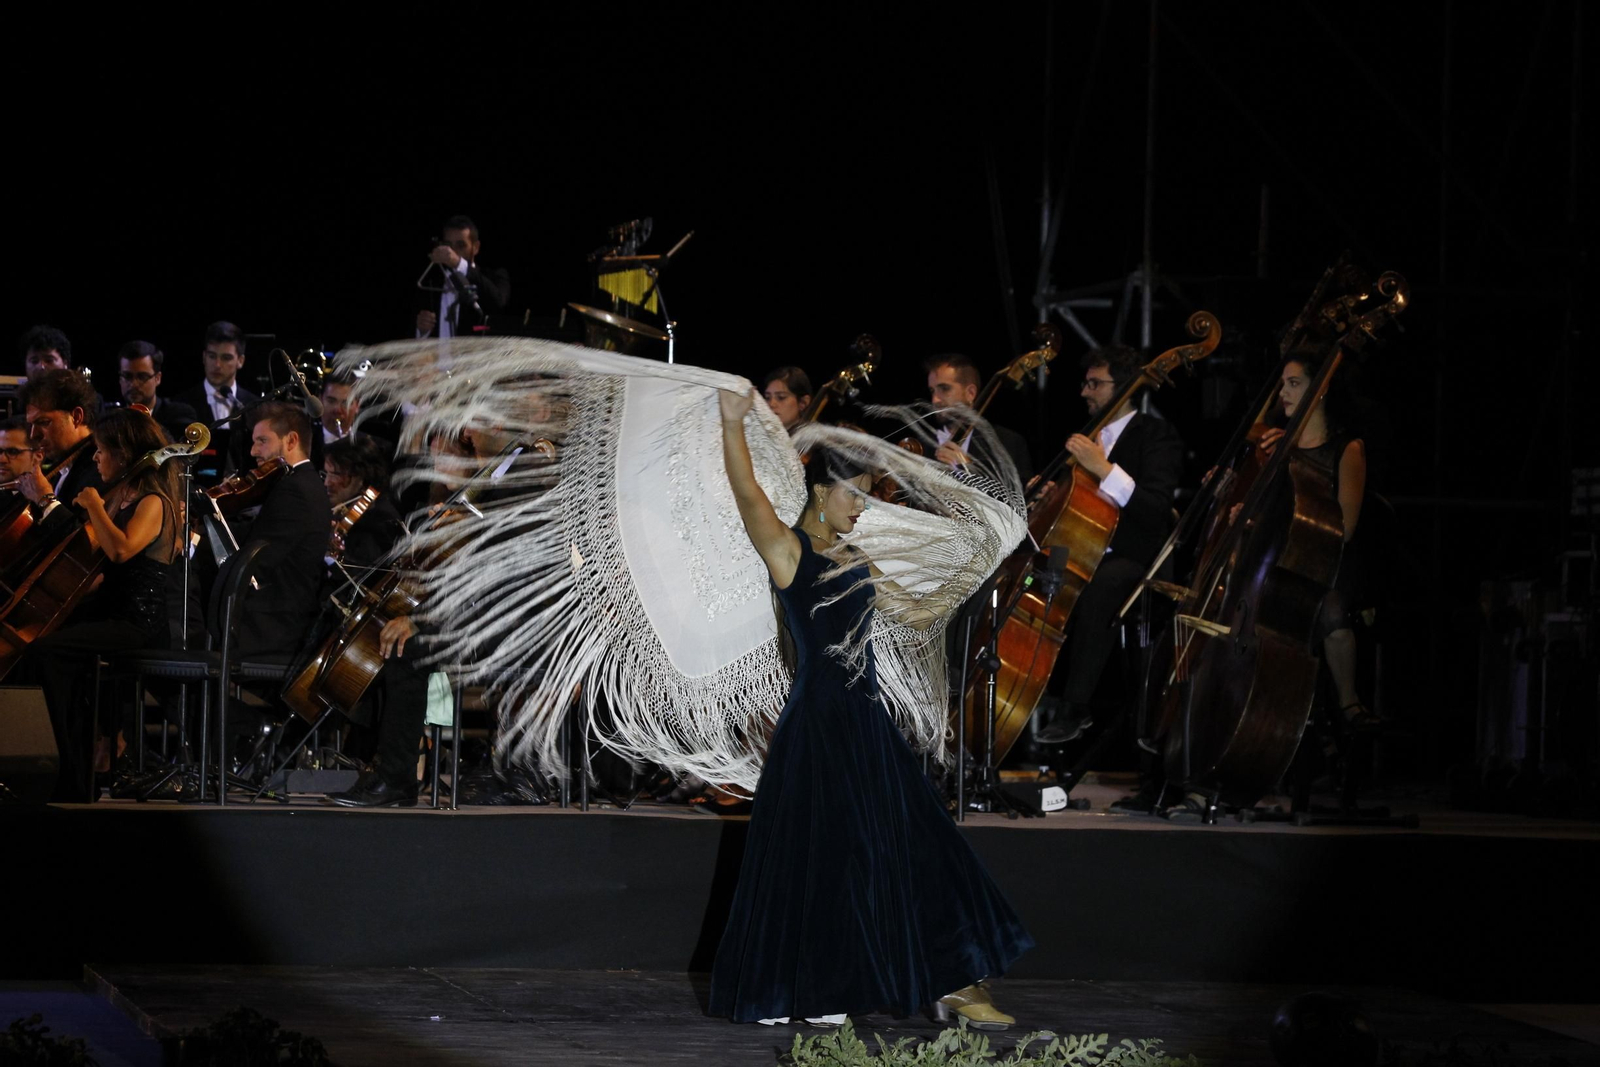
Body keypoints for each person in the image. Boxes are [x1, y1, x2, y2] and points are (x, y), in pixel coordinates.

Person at [707, 386, 1033, 1029]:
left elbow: (914, 612)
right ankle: (815, 987)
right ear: (820, 491)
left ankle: (953, 976)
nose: (863, 507)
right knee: (828, 858)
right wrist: (731, 425)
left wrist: (974, 568)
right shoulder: (789, 551)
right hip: (820, 725)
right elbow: (748, 496)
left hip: (866, 720)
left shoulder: (857, 558)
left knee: (918, 839)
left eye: (867, 495)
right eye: (854, 494)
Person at [23, 409, 182, 800]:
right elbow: (97, 560)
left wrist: (95, 505)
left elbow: (121, 551)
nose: (95, 458)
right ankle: (77, 767)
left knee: (49, 652)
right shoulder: (121, 495)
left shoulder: (154, 501)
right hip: (112, 611)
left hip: (138, 623)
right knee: (48, 648)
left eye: (101, 450)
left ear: (123, 453)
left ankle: (76, 771)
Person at [1034, 344, 1183, 745]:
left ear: (1125, 387)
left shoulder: (1156, 435)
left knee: (1100, 586)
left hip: (1134, 556)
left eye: (1095, 384)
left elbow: (1155, 508)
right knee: (1033, 577)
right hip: (1083, 551)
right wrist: (1051, 494)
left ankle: (1075, 705)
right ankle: (1031, 687)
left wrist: (1103, 469)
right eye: (1086, 383)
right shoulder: (1087, 437)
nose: (1085, 392)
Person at [1257, 346, 1371, 729]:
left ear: (1320, 388)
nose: (1283, 393)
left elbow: (1346, 527)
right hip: (1277, 557)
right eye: (1282, 385)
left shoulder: (1347, 449)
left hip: (1325, 559)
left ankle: (1347, 702)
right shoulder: (1277, 444)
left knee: (1331, 609)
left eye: (1294, 384)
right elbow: (1263, 510)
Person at [234, 401, 332, 659]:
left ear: (291, 440)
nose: (253, 451)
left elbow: (259, 559)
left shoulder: (294, 488)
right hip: (278, 624)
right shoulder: (304, 483)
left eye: (262, 441)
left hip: (269, 630)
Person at [15, 369, 104, 540]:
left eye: (43, 422)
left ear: (76, 417)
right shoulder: (61, 467)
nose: (33, 435)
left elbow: (86, 544)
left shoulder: (100, 467)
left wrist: (45, 499)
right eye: (31, 425)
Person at [924, 353, 1034, 486]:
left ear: (970, 393)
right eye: (932, 391)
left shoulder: (1008, 442)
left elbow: (1015, 497)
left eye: (944, 389)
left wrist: (968, 470)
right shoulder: (922, 445)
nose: (935, 400)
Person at [174, 322, 262, 483]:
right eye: (212, 356)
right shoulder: (181, 404)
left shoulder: (254, 405)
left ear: (240, 361)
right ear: (203, 357)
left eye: (226, 358)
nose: (217, 365)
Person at [414, 214, 511, 339]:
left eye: (461, 246)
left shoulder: (493, 275)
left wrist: (458, 263)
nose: (452, 251)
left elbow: (498, 302)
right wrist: (422, 331)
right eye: (448, 245)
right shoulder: (431, 281)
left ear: (475, 247)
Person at [117, 341, 200, 442]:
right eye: (127, 376)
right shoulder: (111, 419)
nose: (133, 384)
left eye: (142, 377)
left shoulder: (178, 415)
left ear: (157, 378)